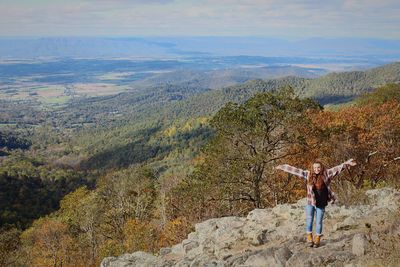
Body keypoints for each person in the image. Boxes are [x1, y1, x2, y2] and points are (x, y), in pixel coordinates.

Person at [275, 159, 357, 248]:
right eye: (315, 167)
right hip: (310, 202)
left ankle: (317, 238)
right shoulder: (308, 174)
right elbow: (295, 170)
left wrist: (347, 163)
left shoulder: (326, 174)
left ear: (321, 168)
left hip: (321, 202)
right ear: (312, 168)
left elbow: (337, 168)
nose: (316, 169)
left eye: (318, 167)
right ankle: (309, 237)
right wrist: (282, 167)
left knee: (319, 222)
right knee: (309, 219)